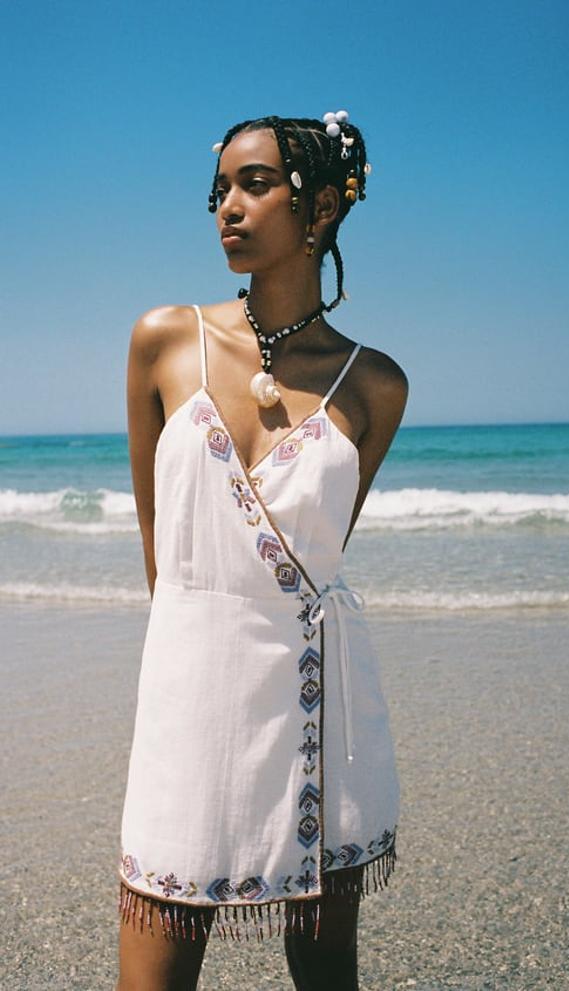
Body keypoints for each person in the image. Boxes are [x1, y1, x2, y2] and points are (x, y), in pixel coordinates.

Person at [116, 111, 408, 991]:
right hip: (190, 696)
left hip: (318, 709)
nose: (226, 209)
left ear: (319, 207)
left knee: (327, 978)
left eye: (253, 184)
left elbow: (311, 563)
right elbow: (161, 555)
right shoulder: (165, 340)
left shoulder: (376, 384)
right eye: (220, 190)